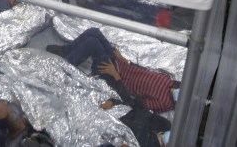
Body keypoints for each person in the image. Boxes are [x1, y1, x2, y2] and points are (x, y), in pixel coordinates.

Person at [46, 27, 180, 113]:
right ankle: (66, 51)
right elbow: (145, 71)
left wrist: (116, 76)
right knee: (94, 32)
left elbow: (132, 103)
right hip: (121, 65)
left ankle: (64, 66)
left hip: (115, 79)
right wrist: (126, 61)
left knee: (93, 43)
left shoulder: (164, 103)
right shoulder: (170, 81)